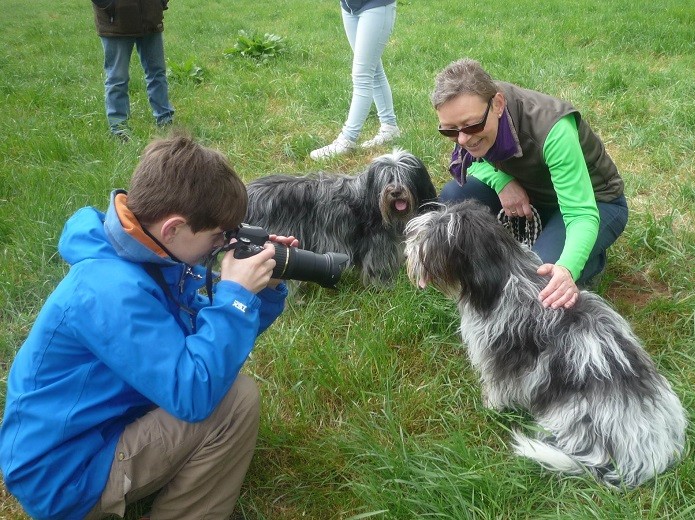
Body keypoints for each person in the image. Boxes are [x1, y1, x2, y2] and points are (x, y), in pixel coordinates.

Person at [0, 134, 298, 520]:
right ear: (173, 228)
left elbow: (203, 338)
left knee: (217, 377)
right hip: (65, 475)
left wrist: (263, 294)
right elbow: (193, 392)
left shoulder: (147, 251)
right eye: (216, 237)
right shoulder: (110, 290)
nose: (221, 246)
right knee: (234, 401)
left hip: (90, 436)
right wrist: (235, 297)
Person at [432, 58, 628, 310]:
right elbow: (474, 160)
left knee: (537, 280)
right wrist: (502, 182)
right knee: (454, 196)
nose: (462, 139)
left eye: (472, 126)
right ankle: (489, 269)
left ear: (498, 104)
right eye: (449, 131)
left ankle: (590, 261)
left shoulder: (553, 128)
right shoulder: (473, 111)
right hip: (534, 192)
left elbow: (581, 214)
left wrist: (567, 267)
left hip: (596, 204)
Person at [310, 0, 401, 160]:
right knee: (374, 71)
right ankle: (389, 128)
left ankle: (347, 140)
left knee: (362, 75)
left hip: (376, 5)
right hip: (349, 7)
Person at [92, 0, 176, 140]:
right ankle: (119, 129)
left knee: (158, 73)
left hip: (150, 17)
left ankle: (165, 120)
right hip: (116, 22)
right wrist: (109, 5)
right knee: (117, 78)